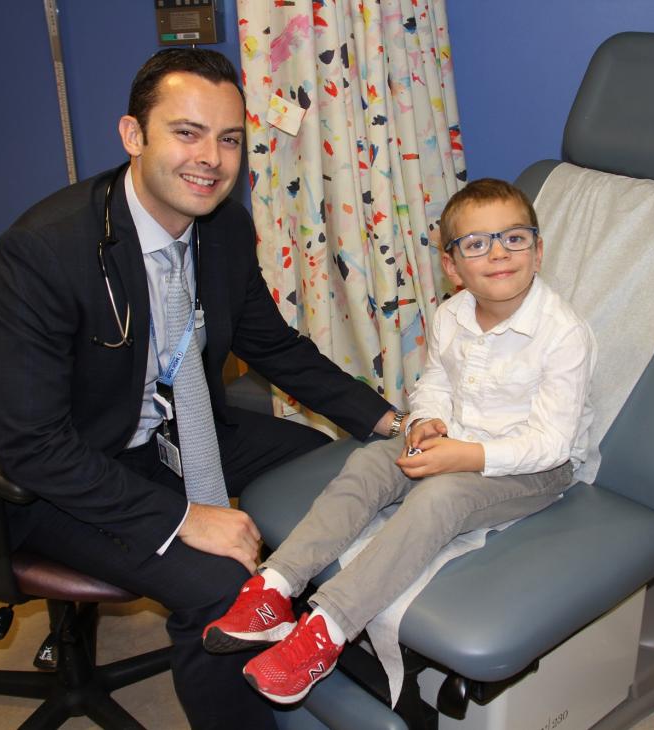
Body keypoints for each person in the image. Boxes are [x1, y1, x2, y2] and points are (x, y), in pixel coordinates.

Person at [0, 49, 402, 730]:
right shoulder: (45, 252)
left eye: (229, 138)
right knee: (224, 590)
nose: (211, 157)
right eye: (187, 132)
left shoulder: (223, 226)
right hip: (50, 473)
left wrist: (384, 420)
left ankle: (331, 662)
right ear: (132, 135)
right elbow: (32, 445)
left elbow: (272, 344)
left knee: (338, 472)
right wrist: (184, 518)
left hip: (169, 431)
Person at [203, 178, 597, 705]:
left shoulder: (563, 333)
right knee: (370, 463)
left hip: (536, 467)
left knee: (441, 496)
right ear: (452, 267)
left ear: (538, 249)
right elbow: (434, 382)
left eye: (515, 238)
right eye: (477, 243)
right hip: (457, 438)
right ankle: (276, 587)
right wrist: (426, 422)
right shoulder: (451, 315)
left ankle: (328, 629)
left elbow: (551, 442)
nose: (499, 253)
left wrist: (467, 458)